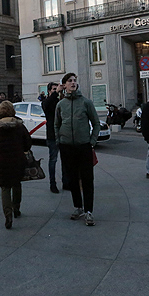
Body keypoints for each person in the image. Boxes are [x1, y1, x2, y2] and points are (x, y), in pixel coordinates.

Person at [55, 73, 100, 226]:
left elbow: (96, 123)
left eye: (75, 81)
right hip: (67, 146)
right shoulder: (61, 104)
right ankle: (78, 207)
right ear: (64, 85)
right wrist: (59, 140)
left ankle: (89, 211)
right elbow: (56, 124)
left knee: (87, 179)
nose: (73, 83)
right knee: (72, 179)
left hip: (84, 146)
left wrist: (92, 141)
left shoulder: (86, 102)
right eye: (70, 81)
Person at [0, 101, 31, 229]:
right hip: (18, 160)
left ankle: (8, 216)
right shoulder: (19, 126)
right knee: (17, 184)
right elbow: (27, 143)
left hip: (1, 161)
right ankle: (16, 208)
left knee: (5, 188)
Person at [42, 81, 68, 193]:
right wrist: (55, 93)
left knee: (65, 160)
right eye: (53, 89)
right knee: (53, 160)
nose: (56, 91)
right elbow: (46, 106)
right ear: (49, 91)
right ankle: (52, 183)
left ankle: (66, 182)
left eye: (56, 89)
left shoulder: (60, 102)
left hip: (63, 134)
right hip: (52, 135)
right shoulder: (46, 101)